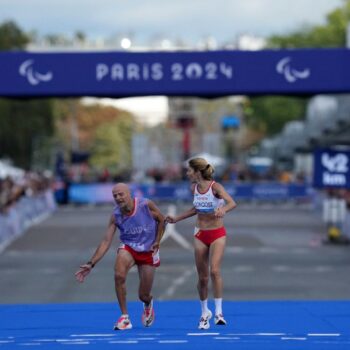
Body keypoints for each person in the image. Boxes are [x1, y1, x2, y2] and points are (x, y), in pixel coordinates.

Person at [75, 183, 166, 330]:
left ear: (129, 194)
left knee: (143, 295)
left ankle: (148, 303)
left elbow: (162, 220)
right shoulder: (116, 215)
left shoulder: (145, 204)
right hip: (129, 247)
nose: (118, 198)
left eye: (121, 194)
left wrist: (157, 241)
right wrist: (91, 263)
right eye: (115, 196)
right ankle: (125, 318)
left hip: (149, 250)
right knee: (118, 275)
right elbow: (106, 241)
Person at [166, 158, 237, 330]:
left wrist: (223, 210)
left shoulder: (215, 187)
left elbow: (232, 203)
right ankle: (205, 313)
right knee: (203, 277)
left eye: (189, 170)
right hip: (200, 234)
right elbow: (196, 209)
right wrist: (176, 218)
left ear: (197, 171)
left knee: (214, 270)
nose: (187, 173)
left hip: (217, 233)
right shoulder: (194, 188)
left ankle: (219, 313)